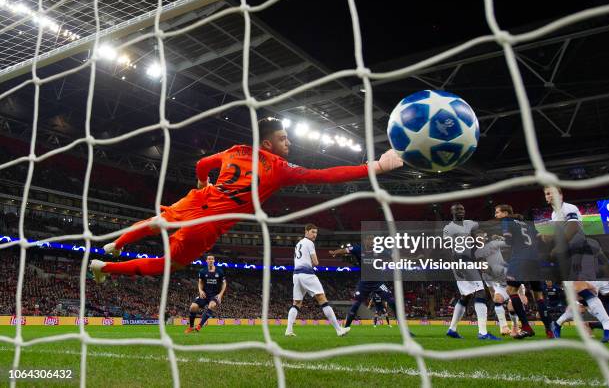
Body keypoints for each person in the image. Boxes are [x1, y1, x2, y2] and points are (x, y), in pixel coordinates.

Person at [89, 118, 403, 282]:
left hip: (200, 198)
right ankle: (105, 267)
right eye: (283, 138)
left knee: (162, 220)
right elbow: (327, 175)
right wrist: (374, 166)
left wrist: (201, 183)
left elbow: (201, 166)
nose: (288, 142)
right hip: (211, 224)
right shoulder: (280, 169)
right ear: (268, 142)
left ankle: (115, 245)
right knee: (170, 265)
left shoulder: (235, 150)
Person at [543, 187, 609, 343]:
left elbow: (573, 228)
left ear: (560, 195)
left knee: (582, 292)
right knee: (581, 297)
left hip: (579, 253)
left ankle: (608, 325)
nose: (549, 196)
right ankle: (559, 323)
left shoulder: (569, 208)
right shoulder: (554, 214)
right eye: (547, 194)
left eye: (552, 192)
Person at [495, 204, 554, 339]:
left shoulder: (506, 221)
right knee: (538, 296)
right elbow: (541, 239)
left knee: (511, 290)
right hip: (535, 261)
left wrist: (500, 240)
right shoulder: (527, 223)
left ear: (505, 213)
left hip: (520, 259)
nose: (496, 215)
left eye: (497, 212)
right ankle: (549, 330)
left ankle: (526, 327)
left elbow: (508, 241)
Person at [443, 204, 500, 341]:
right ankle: (483, 332)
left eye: (462, 209)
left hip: (468, 260)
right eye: (457, 210)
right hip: (460, 261)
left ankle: (452, 329)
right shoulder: (448, 228)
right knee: (480, 292)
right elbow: (446, 249)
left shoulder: (469, 224)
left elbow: (483, 225)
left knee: (466, 296)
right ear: (451, 212)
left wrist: (500, 220)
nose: (460, 211)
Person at [285, 224, 350, 337]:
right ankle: (339, 330)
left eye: (316, 233)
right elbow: (315, 262)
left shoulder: (298, 243)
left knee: (296, 303)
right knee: (322, 300)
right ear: (306, 231)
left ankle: (288, 330)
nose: (315, 235)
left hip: (296, 275)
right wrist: (312, 262)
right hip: (307, 274)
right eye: (313, 232)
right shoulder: (310, 243)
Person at [185, 255, 226, 334]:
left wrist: (220, 294)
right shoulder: (203, 271)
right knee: (193, 307)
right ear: (206, 261)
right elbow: (200, 282)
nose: (210, 260)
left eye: (212, 259)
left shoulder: (220, 271)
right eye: (209, 259)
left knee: (212, 305)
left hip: (215, 295)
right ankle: (191, 327)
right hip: (205, 294)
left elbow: (224, 284)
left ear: (214, 261)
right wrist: (200, 290)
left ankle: (199, 325)